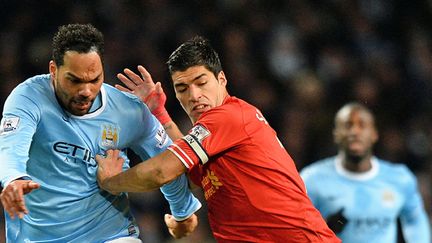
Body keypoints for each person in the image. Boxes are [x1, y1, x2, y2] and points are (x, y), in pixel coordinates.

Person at [95, 35, 341, 242]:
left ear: (222, 79)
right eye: (182, 89)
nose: (194, 95)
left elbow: (162, 172)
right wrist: (159, 112)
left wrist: (111, 182)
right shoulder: (216, 138)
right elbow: (187, 174)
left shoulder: (228, 117)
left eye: (201, 83)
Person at [0, 23, 201, 242]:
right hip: (40, 237)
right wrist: (14, 178)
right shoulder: (28, 97)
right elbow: (11, 145)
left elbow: (166, 162)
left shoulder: (127, 110)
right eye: (74, 80)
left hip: (110, 234)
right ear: (53, 70)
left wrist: (182, 212)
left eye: (94, 79)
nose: (86, 91)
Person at [300, 102, 431, 243]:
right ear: (336, 134)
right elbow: (296, 228)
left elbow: (414, 220)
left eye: (362, 125)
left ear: (374, 134)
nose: (355, 132)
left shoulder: (399, 178)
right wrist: (324, 228)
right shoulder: (312, 179)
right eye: (347, 125)